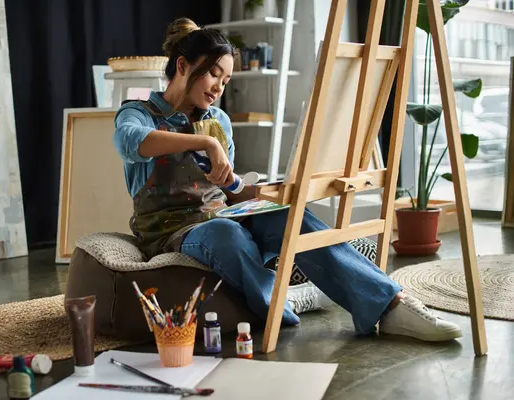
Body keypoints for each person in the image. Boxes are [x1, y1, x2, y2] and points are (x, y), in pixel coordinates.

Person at [113, 17, 462, 342]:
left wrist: (264, 192)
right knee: (226, 233)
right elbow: (133, 142)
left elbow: (229, 190)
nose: (219, 87)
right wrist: (205, 143)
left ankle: (390, 305)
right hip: (172, 233)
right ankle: (280, 308)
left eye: (226, 80)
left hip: (221, 215)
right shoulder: (139, 112)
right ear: (183, 66)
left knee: (289, 217)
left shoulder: (218, 119)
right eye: (213, 74)